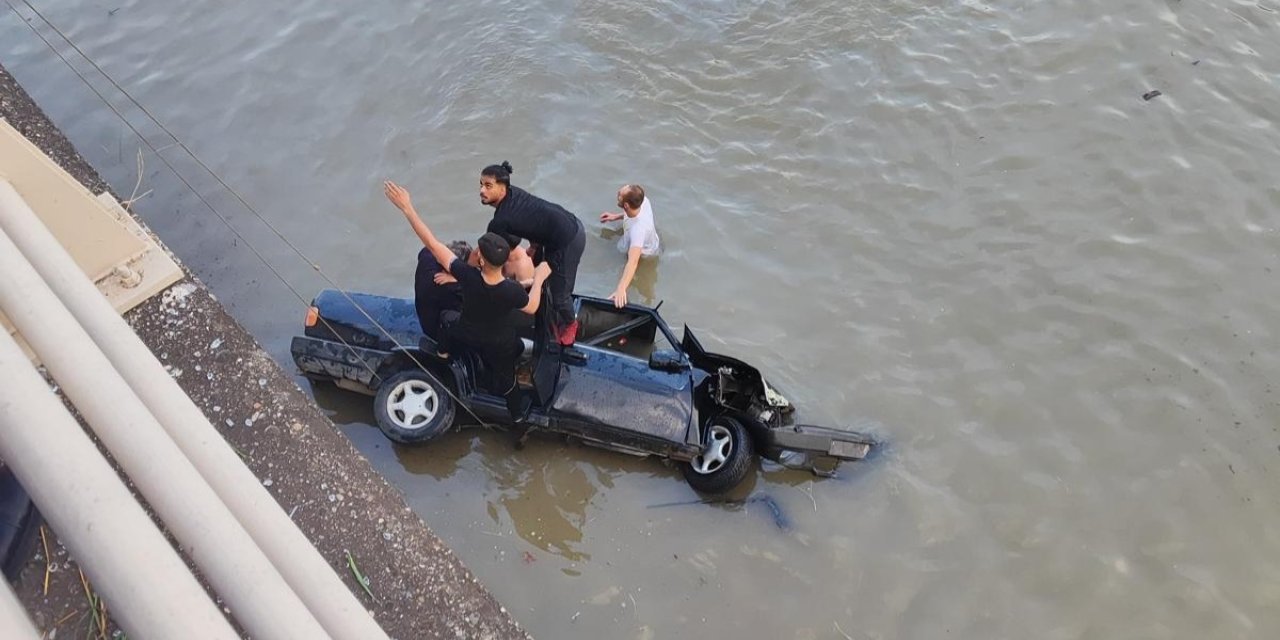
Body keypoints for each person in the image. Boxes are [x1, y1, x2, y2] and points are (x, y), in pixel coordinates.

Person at [385, 180, 551, 422]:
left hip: (467, 333)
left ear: (481, 260)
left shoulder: (466, 276)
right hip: (498, 343)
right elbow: (532, 306)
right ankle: (517, 417)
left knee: (447, 320)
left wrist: (407, 208)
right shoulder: (511, 291)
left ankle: (442, 354)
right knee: (508, 382)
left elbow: (432, 244)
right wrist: (539, 280)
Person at [480, 161, 585, 346]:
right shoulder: (514, 194)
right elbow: (534, 219)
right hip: (559, 228)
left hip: (568, 239)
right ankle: (542, 299)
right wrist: (534, 247)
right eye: (481, 185)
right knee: (543, 275)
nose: (482, 190)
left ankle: (571, 322)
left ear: (503, 188)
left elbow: (490, 257)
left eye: (488, 186)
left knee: (560, 295)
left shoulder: (500, 222)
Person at [598, 184, 660, 308]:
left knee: (629, 269)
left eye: (620, 196)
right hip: (648, 239)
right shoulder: (642, 201)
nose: (618, 193)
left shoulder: (638, 231)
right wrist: (615, 217)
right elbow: (631, 213)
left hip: (644, 254)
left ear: (626, 205)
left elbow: (633, 262)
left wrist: (621, 288)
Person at [414, 240, 471, 339]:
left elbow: (427, 249)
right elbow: (478, 289)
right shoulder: (450, 287)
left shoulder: (427, 255)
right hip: (436, 331)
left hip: (423, 312)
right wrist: (459, 279)